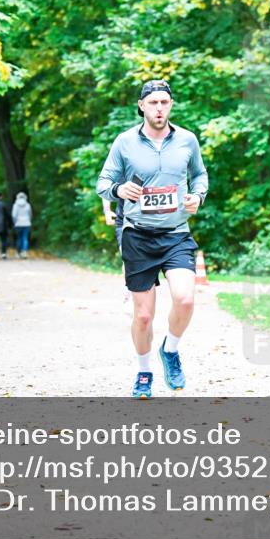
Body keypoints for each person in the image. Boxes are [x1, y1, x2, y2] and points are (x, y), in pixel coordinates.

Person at [96, 79, 209, 399]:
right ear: (142, 106)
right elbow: (103, 181)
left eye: (165, 102)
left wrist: (197, 196)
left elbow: (200, 175)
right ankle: (144, 372)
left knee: (186, 299)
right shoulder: (124, 142)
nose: (160, 108)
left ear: (170, 105)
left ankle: (170, 351)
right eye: (154, 102)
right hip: (138, 235)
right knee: (144, 315)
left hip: (175, 234)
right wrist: (118, 190)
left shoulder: (187, 140)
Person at [12, 191, 33, 259]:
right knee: (25, 238)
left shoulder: (15, 205)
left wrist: (15, 222)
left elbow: (14, 215)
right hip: (27, 223)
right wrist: (29, 221)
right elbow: (30, 214)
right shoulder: (28, 205)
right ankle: (24, 252)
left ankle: (18, 252)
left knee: (19, 238)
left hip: (18, 224)